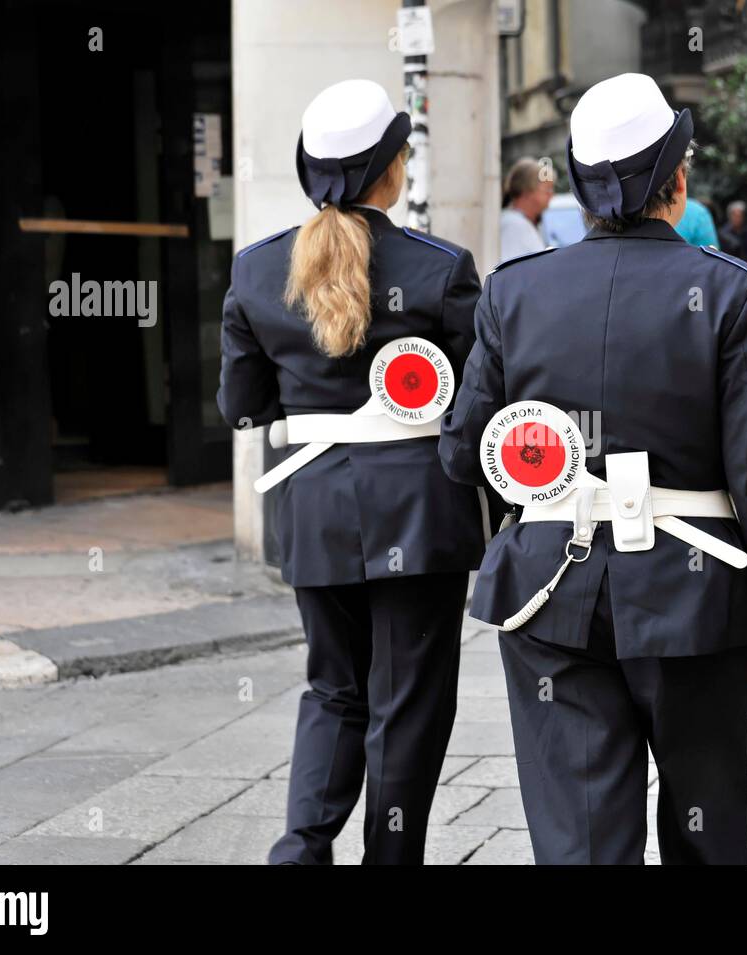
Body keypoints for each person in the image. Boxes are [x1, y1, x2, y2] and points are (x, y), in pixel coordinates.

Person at [439, 72, 747, 865]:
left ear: (578, 189)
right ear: (678, 181)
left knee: (580, 841)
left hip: (550, 591)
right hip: (696, 592)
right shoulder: (731, 294)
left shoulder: (514, 293)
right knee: (705, 834)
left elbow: (461, 448)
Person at [217, 79, 485, 864]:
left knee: (334, 687)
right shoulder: (441, 269)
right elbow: (476, 405)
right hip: (420, 517)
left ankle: (301, 847)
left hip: (315, 509)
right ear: (395, 170)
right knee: (408, 700)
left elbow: (243, 405)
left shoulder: (256, 271)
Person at [500, 156, 554, 263]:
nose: (551, 195)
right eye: (547, 189)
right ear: (528, 191)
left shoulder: (524, 222)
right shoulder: (514, 224)